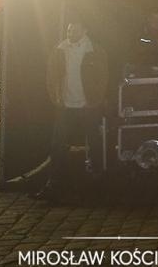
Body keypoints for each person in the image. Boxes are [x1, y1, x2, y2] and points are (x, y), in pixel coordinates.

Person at [41, 20, 110, 202]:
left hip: (88, 105)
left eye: (75, 29)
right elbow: (51, 75)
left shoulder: (94, 50)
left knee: (94, 141)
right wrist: (56, 97)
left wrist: (94, 100)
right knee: (58, 143)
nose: (70, 32)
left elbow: (103, 77)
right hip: (65, 105)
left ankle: (98, 180)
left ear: (84, 30)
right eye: (69, 29)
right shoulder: (60, 50)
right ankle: (55, 181)